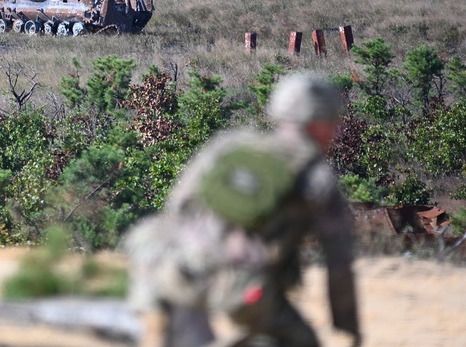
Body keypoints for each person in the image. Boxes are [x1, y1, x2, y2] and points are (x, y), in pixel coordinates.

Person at [124, 72, 360, 347]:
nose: (336, 130)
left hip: (179, 270)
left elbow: (177, 206)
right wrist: (348, 327)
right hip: (246, 291)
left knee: (153, 238)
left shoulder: (230, 145)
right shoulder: (317, 179)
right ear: (320, 124)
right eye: (333, 122)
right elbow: (339, 263)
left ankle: (157, 311)